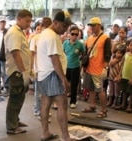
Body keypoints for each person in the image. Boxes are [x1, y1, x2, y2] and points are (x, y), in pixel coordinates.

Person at [36, 11, 73, 141]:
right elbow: (54, 58)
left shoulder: (45, 34)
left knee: (46, 103)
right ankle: (65, 137)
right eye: (64, 26)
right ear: (55, 22)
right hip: (52, 74)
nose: (65, 30)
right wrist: (64, 79)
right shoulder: (52, 36)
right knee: (62, 104)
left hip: (44, 73)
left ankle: (45, 133)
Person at [4, 9, 32, 134]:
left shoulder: (19, 32)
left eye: (30, 21)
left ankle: (14, 120)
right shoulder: (14, 32)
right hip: (17, 72)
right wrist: (24, 72)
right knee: (15, 99)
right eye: (27, 21)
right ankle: (11, 126)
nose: (29, 24)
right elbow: (15, 53)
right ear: (19, 19)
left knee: (19, 98)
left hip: (19, 72)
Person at [82, 17, 111, 118]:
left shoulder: (105, 38)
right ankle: (92, 105)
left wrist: (105, 68)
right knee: (90, 89)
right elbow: (85, 54)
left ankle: (104, 110)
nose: (92, 27)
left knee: (100, 90)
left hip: (99, 69)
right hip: (89, 68)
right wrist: (84, 68)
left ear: (99, 25)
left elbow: (108, 54)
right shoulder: (89, 39)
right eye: (91, 25)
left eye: (94, 25)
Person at [29, 17, 52, 122]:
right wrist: (31, 69)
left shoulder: (50, 38)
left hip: (48, 70)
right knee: (39, 92)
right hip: (38, 69)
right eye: (45, 26)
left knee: (47, 92)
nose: (46, 28)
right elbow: (31, 54)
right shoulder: (35, 38)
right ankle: (38, 111)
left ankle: (44, 110)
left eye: (48, 26)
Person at [115, 38, 132, 112]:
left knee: (131, 92)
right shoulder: (126, 54)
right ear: (128, 46)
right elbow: (122, 65)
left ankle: (129, 106)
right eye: (130, 45)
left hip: (131, 76)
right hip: (124, 75)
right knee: (124, 91)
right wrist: (119, 74)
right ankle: (123, 104)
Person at [63, 25, 85, 109]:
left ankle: (73, 101)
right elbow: (62, 53)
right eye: (73, 34)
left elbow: (83, 54)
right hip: (66, 67)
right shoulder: (65, 43)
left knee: (74, 85)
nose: (74, 36)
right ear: (69, 33)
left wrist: (82, 64)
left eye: (76, 34)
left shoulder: (80, 44)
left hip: (75, 67)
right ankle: (63, 101)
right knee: (64, 85)